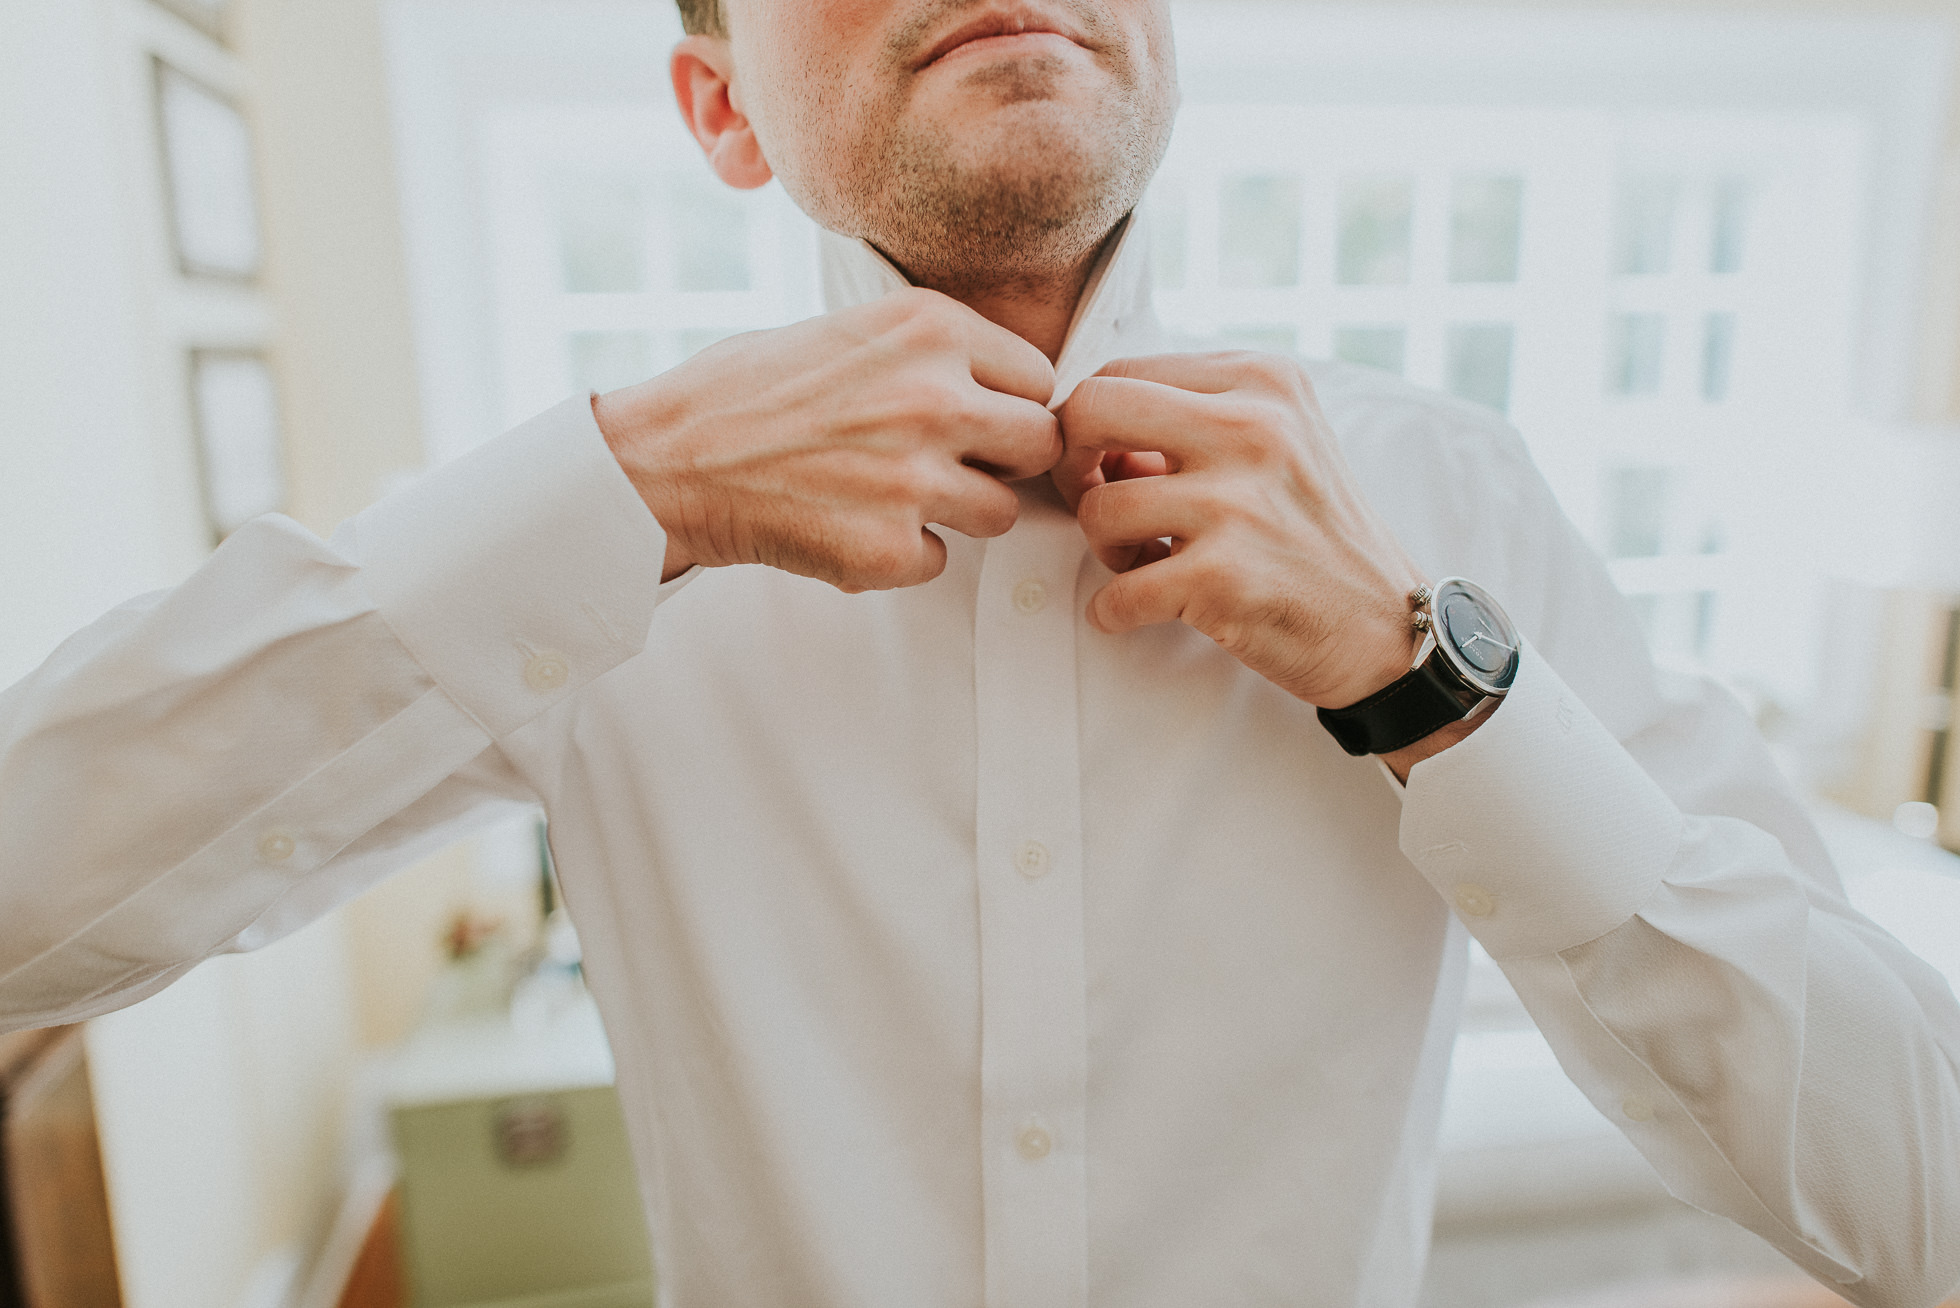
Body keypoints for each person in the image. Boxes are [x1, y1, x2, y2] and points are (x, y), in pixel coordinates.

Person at [3, 0, 1958, 1303]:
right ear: (717, 112)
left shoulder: (1447, 500)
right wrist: (623, 493)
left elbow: (1916, 1197)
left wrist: (1421, 678)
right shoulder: (576, 549)